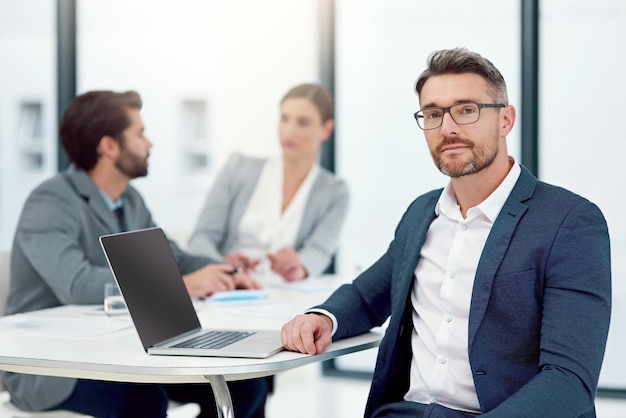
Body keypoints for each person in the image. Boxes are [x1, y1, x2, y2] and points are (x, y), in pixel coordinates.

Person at [281, 48, 612, 417]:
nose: (448, 128)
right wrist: (323, 318)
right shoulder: (422, 213)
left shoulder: (570, 222)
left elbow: (568, 382)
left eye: (467, 110)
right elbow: (366, 296)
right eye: (434, 114)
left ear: (506, 120)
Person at [1, 90, 268, 418]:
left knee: (246, 385)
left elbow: (173, 257)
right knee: (142, 399)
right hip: (51, 365)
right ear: (109, 146)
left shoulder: (130, 200)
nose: (150, 144)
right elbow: (77, 284)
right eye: (140, 134)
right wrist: (181, 286)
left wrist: (225, 269)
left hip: (116, 349)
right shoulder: (49, 202)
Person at [187, 83, 349, 282]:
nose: (289, 131)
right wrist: (223, 266)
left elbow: (319, 250)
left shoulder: (335, 192)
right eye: (285, 119)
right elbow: (201, 238)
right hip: (228, 289)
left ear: (326, 129)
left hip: (287, 296)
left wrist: (298, 267)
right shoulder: (237, 168)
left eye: (303, 122)